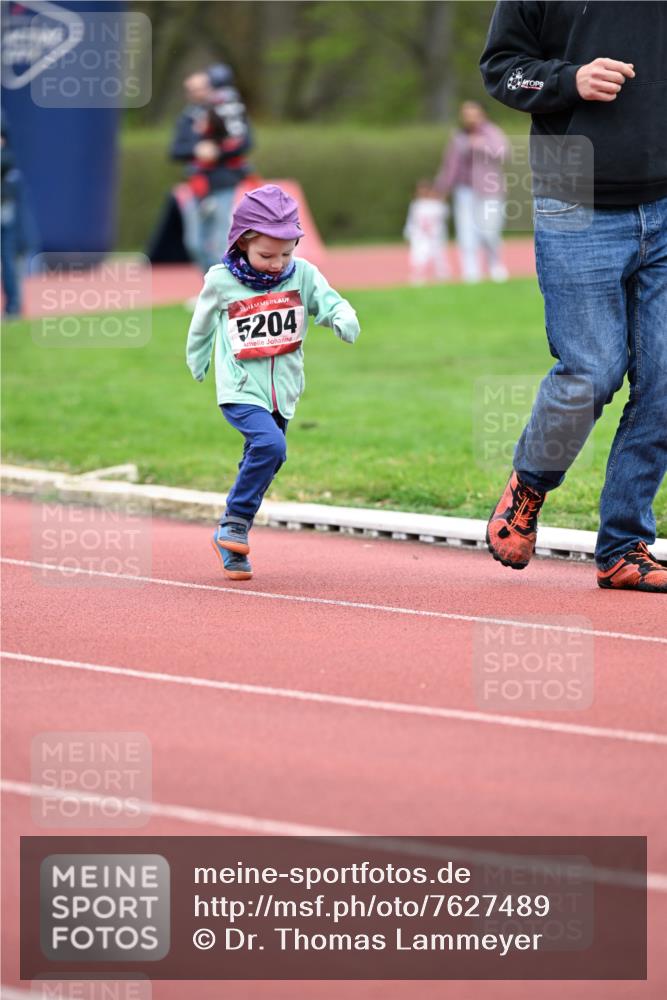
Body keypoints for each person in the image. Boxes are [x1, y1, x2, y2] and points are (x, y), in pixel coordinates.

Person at [480, 0, 667, 593]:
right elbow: (502, 69)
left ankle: (624, 544)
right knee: (592, 371)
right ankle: (530, 485)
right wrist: (571, 79)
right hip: (574, 200)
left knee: (665, 381)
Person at [186, 184, 360, 580]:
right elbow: (201, 326)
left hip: (284, 391)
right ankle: (235, 521)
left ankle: (231, 544)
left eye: (286, 253)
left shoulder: (302, 275)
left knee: (267, 456)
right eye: (267, 255)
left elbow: (329, 301)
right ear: (241, 243)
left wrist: (341, 317)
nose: (277, 263)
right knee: (270, 445)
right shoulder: (220, 281)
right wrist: (197, 360)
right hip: (240, 388)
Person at [170, 63, 252, 275]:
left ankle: (228, 288)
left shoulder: (228, 109)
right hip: (197, 185)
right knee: (194, 242)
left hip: (223, 182)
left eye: (201, 88)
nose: (198, 93)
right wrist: (197, 149)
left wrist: (218, 151)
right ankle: (211, 286)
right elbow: (176, 150)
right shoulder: (187, 117)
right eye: (192, 89)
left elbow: (245, 142)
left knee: (219, 240)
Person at [435, 101, 509, 283]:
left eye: (473, 113)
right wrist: (441, 188)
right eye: (466, 114)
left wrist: (480, 145)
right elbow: (450, 166)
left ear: (482, 114)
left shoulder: (492, 132)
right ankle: (471, 272)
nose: (470, 118)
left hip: (490, 191)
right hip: (464, 190)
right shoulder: (458, 137)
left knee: (489, 231)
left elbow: (504, 153)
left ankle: (494, 265)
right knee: (466, 233)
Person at [403, 180, 450, 285]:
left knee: (438, 256)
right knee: (419, 256)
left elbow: (444, 215)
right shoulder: (416, 205)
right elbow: (411, 221)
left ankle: (442, 275)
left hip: (436, 237)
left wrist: (441, 199)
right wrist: (408, 234)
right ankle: (418, 276)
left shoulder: (437, 205)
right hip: (420, 237)